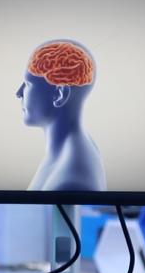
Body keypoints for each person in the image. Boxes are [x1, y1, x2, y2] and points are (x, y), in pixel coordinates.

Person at [17, 40, 107, 191]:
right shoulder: (73, 148)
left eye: (28, 84)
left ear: (59, 94)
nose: (19, 93)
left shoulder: (69, 181)